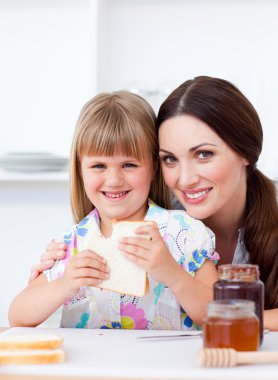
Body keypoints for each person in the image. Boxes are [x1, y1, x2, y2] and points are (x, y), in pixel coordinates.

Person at [33, 77, 278, 331]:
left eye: (204, 154)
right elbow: (23, 312)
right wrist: (56, 280)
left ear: (247, 152)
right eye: (170, 159)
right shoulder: (150, 223)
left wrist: (230, 317)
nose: (185, 179)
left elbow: (212, 314)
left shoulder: (182, 234)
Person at [9, 91, 218, 330]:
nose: (114, 179)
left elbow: (219, 316)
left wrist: (172, 273)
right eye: (99, 165)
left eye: (129, 165)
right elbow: (18, 316)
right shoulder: (72, 244)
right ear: (80, 169)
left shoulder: (185, 233)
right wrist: (64, 284)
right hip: (91, 366)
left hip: (166, 366)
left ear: (153, 166)